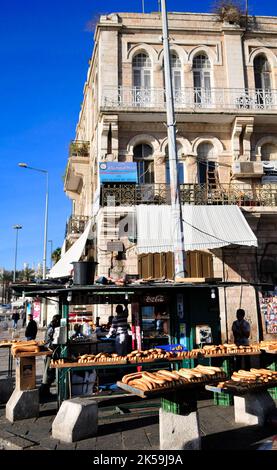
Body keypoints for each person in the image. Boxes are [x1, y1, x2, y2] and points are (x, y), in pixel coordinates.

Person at [39, 314, 61, 399]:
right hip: (50, 352)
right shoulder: (51, 328)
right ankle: (43, 392)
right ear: (57, 321)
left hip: (50, 352)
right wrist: (56, 344)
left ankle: (45, 391)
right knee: (48, 372)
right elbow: (49, 342)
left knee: (48, 372)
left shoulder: (51, 326)